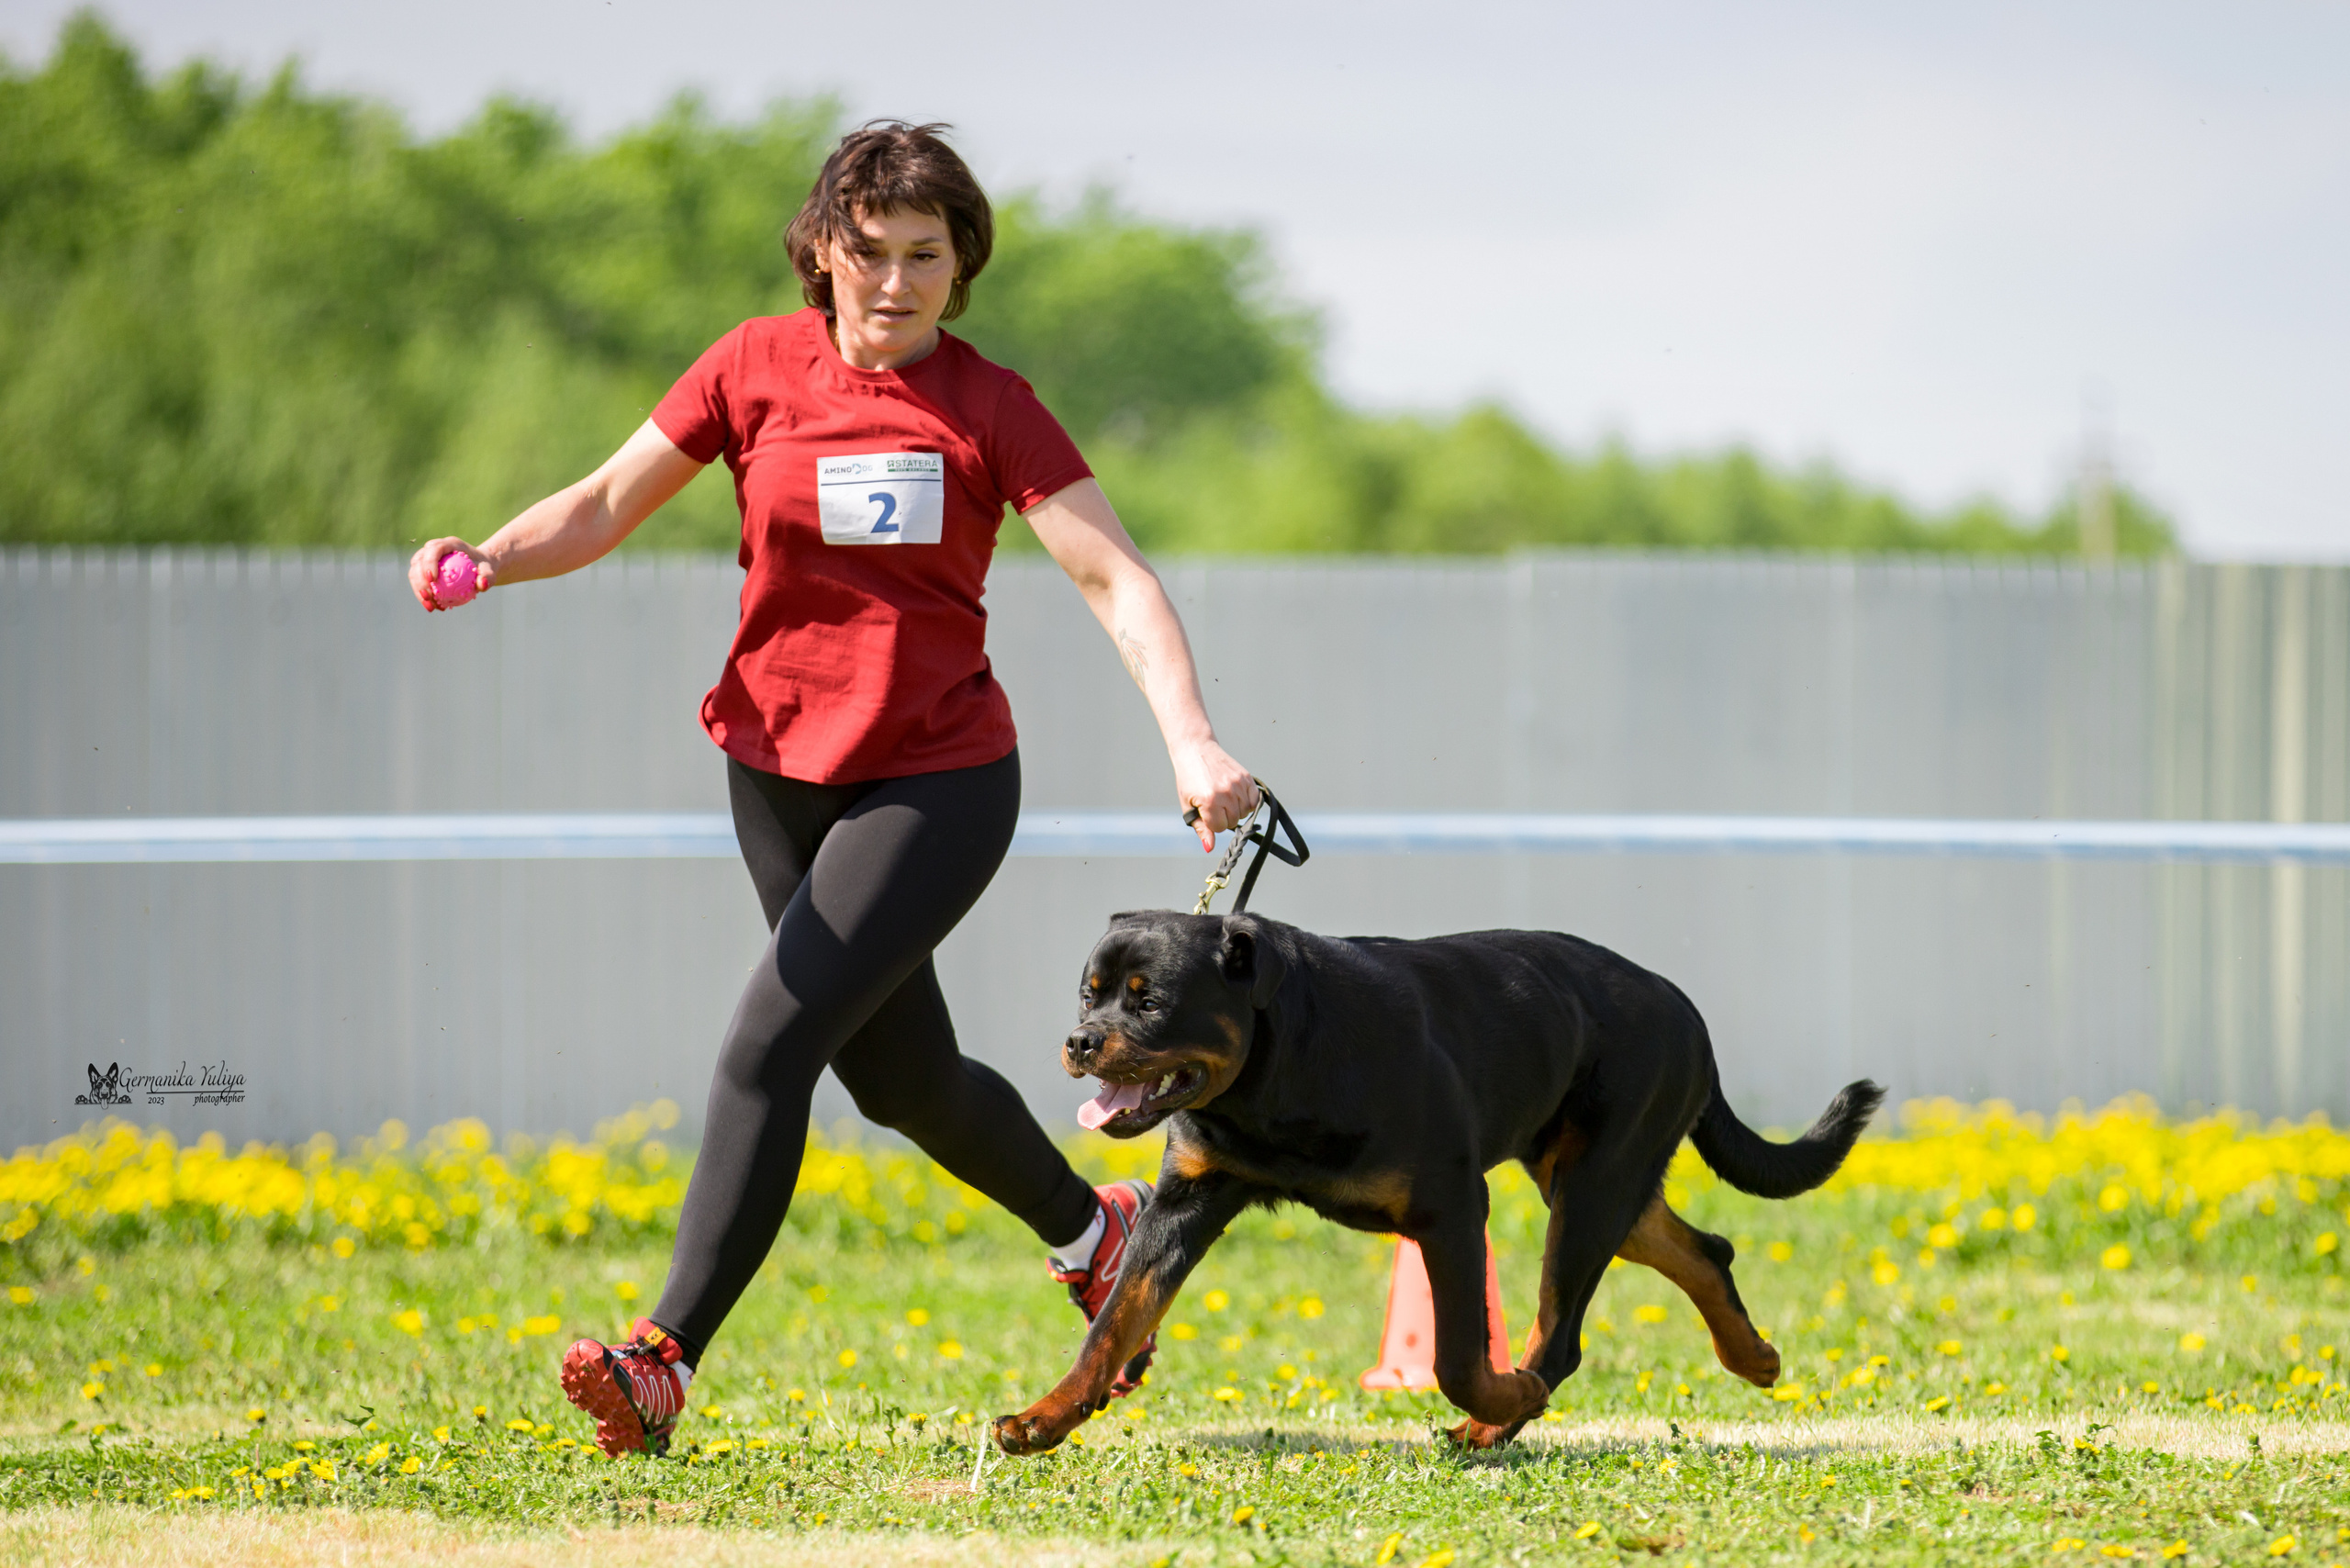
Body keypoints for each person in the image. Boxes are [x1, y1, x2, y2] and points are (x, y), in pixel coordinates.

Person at [406, 120, 1256, 1459]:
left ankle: (662, 1360)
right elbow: (609, 500)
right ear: (822, 252)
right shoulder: (751, 366)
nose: (897, 282)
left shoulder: (988, 405)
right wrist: (493, 558)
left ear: (961, 267)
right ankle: (1097, 1235)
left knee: (769, 1045)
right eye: (872, 253)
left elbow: (1116, 578)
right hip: (773, 769)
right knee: (901, 1078)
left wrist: (1192, 741)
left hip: (936, 781)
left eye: (927, 256)